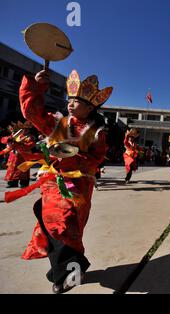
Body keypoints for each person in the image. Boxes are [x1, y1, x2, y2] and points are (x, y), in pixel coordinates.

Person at [14, 69, 112, 293]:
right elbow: (31, 112)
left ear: (90, 107)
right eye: (70, 99)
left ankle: (71, 271)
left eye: (77, 101)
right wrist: (37, 87)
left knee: (68, 226)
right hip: (53, 181)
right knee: (54, 223)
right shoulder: (56, 122)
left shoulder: (96, 132)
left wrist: (72, 155)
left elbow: (95, 160)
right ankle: (67, 272)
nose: (70, 103)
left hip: (79, 185)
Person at [1, 121, 35, 188]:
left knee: (23, 170)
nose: (25, 130)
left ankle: (24, 183)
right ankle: (12, 183)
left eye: (27, 129)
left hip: (23, 156)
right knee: (12, 169)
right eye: (23, 129)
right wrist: (10, 139)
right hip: (14, 156)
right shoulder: (16, 135)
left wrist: (19, 144)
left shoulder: (30, 137)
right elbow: (3, 140)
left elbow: (30, 145)